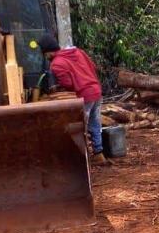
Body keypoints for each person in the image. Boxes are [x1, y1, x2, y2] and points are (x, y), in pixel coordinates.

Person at [38, 35, 109, 166]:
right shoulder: (77, 52)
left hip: (85, 95)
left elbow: (68, 83)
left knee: (79, 126)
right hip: (96, 90)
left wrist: (61, 86)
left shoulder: (56, 64)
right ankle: (99, 154)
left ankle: (81, 159)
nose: (45, 57)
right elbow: (93, 66)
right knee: (95, 123)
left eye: (44, 54)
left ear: (47, 52)